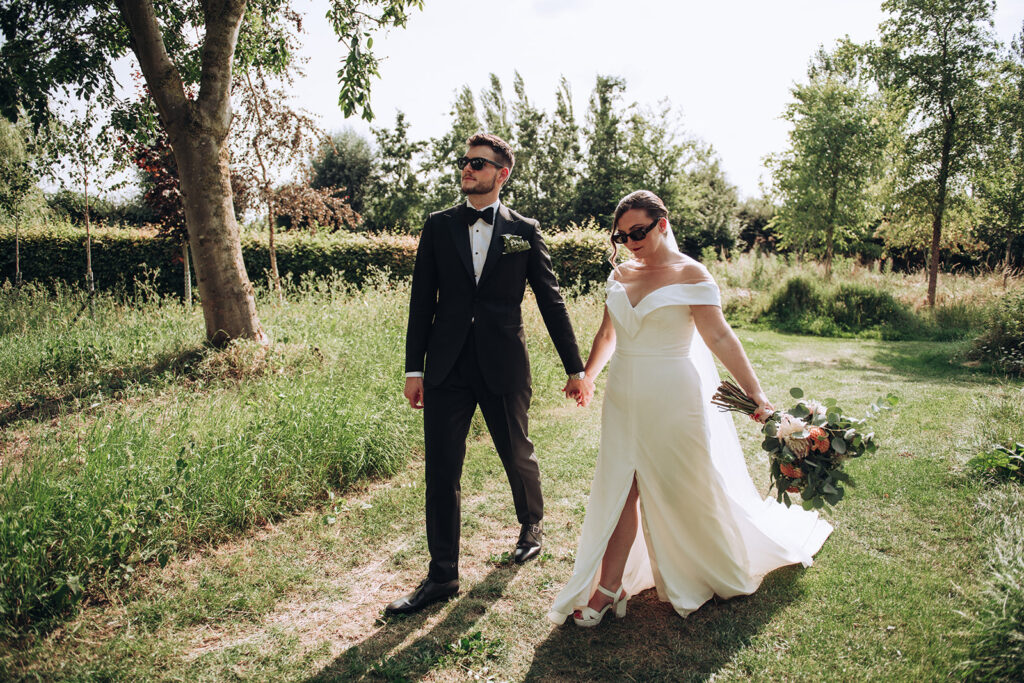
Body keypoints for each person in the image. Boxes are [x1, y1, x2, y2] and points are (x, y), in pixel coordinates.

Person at [548, 190, 833, 626]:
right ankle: (608, 587)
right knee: (622, 485)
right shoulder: (620, 274)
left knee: (686, 483)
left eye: (638, 231)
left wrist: (755, 394)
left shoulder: (691, 273)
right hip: (624, 394)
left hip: (672, 394)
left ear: (662, 224)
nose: (630, 242)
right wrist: (587, 375)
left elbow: (720, 339)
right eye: (621, 236)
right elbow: (608, 335)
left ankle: (711, 564)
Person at [386, 133, 588, 616]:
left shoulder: (526, 229)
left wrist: (574, 366)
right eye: (465, 162)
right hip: (447, 365)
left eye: (478, 163)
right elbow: (421, 301)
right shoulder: (437, 226)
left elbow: (550, 299)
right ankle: (442, 575)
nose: (467, 169)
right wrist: (414, 367)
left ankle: (530, 525)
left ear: (503, 173)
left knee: (516, 452)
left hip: (503, 363)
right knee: (441, 471)